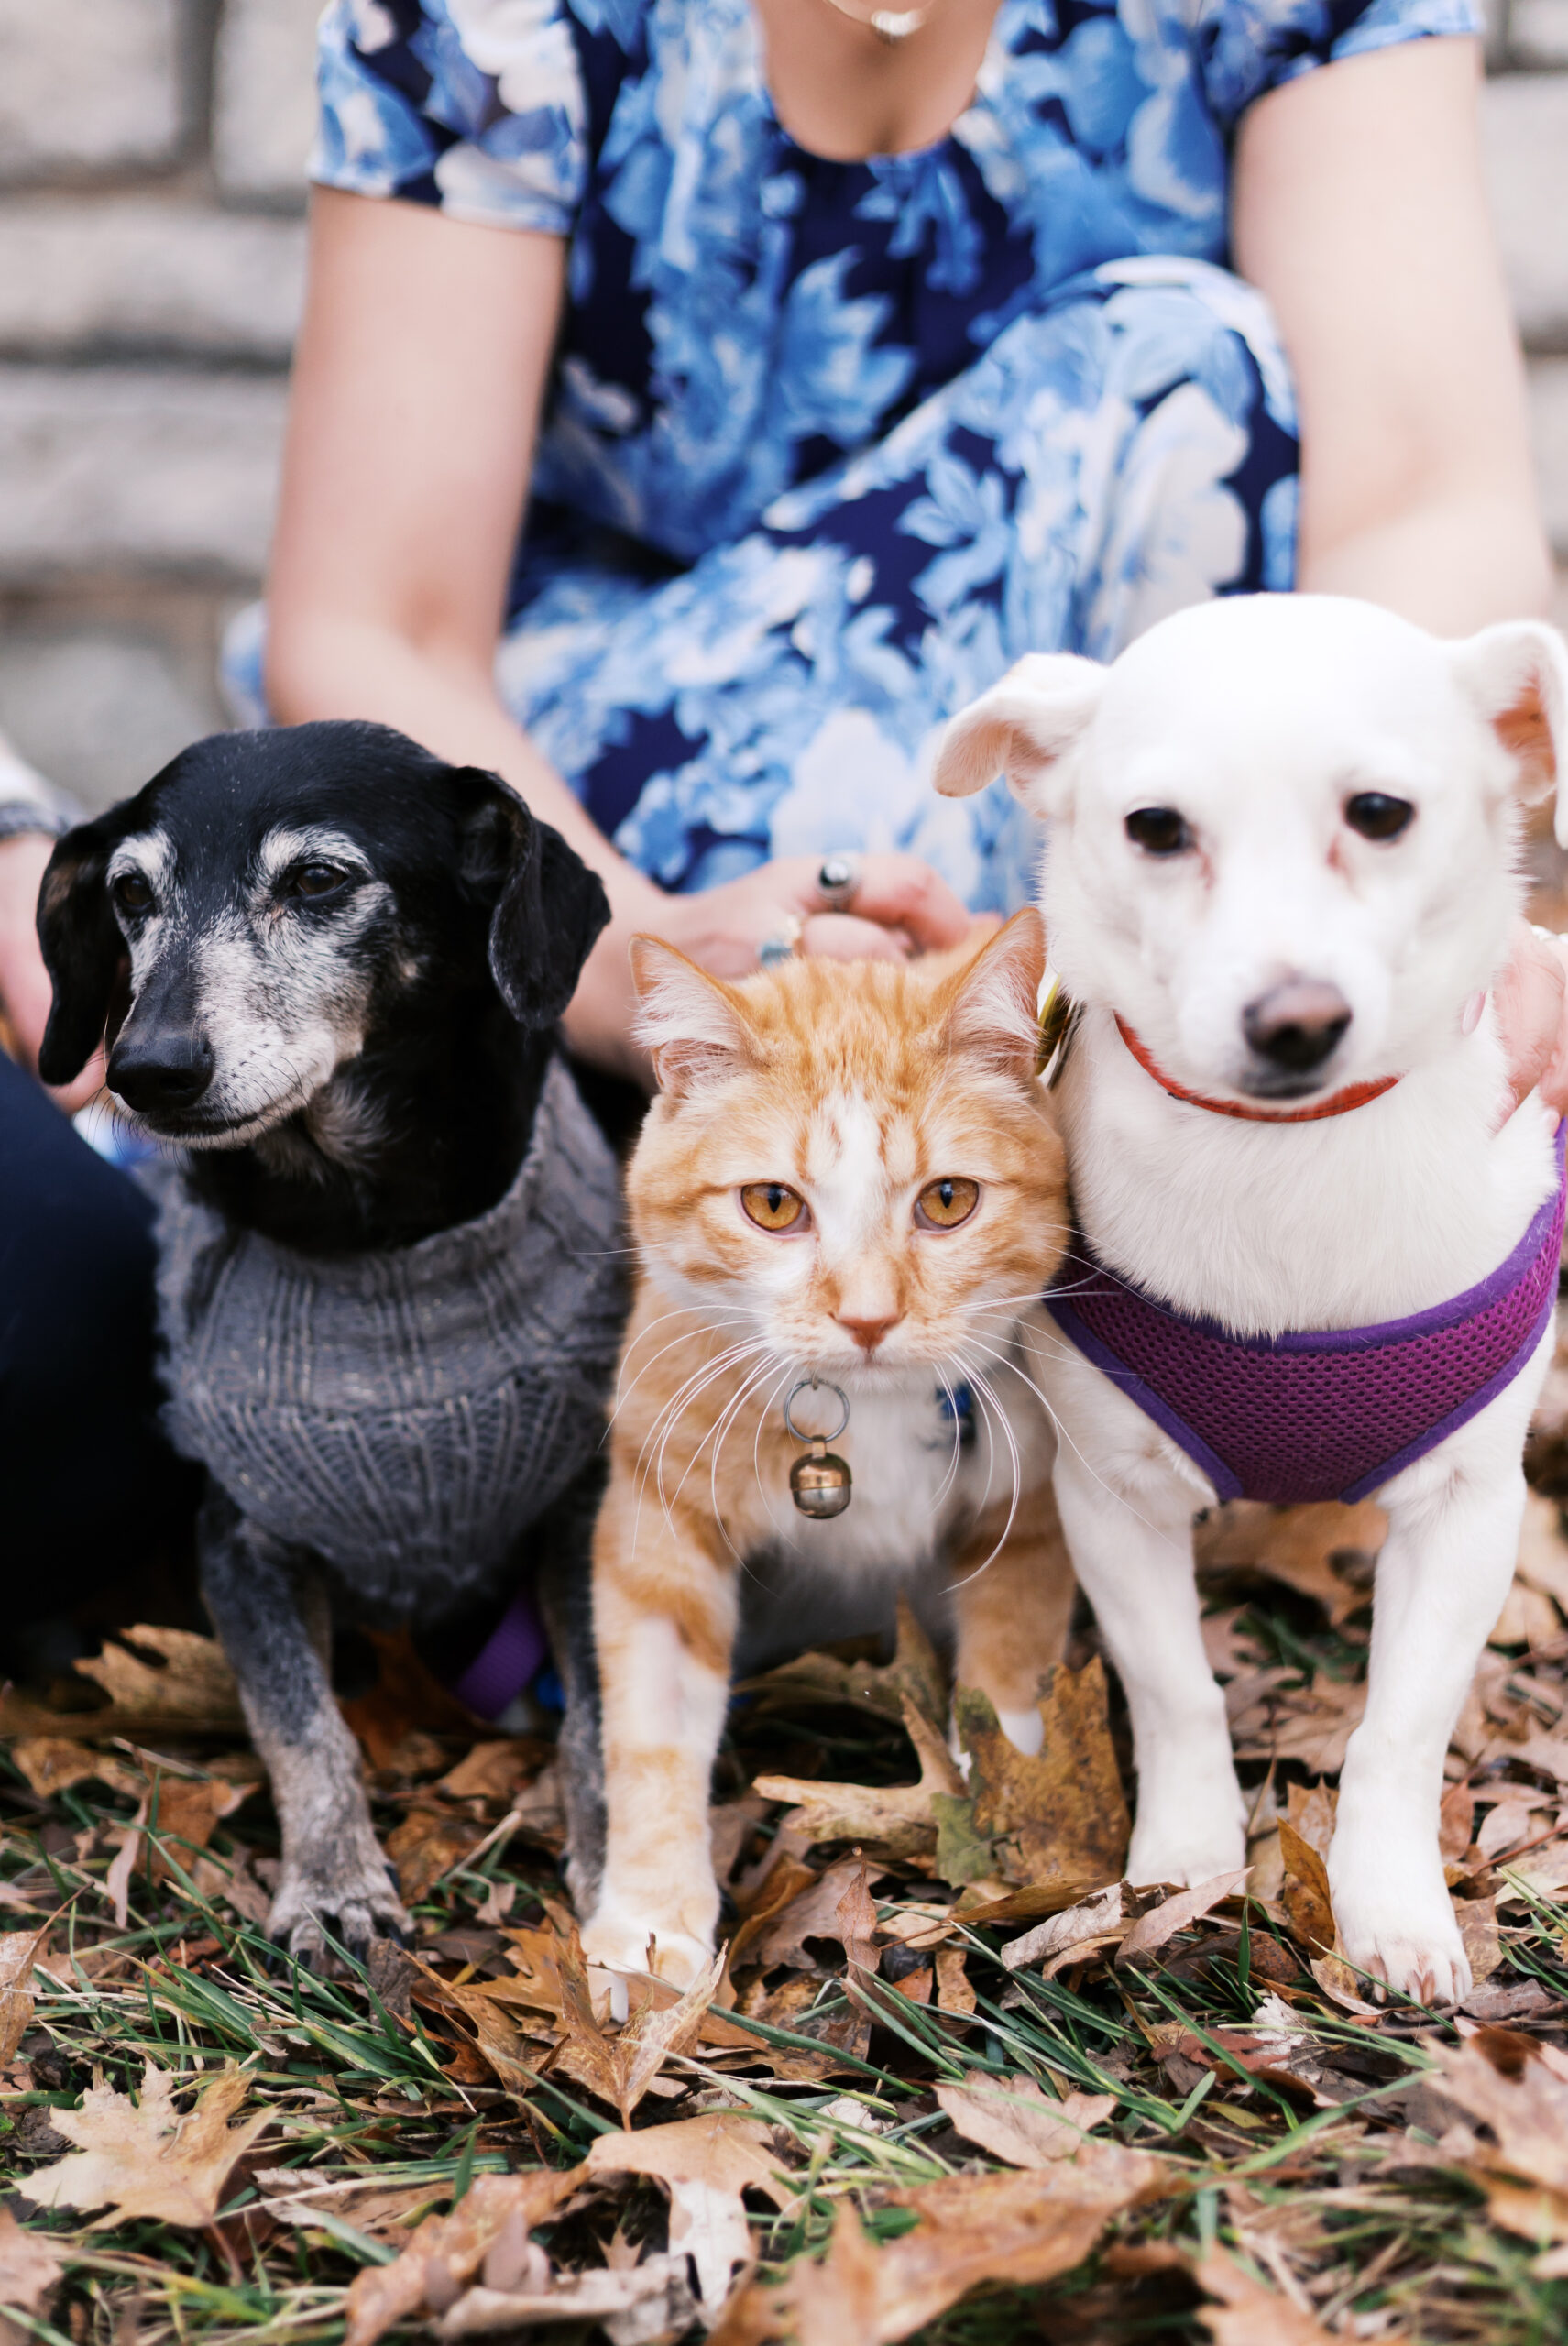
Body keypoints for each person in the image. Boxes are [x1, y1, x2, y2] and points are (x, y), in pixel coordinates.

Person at [1, 0, 1565, 1606]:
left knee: (1182, 369)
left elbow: (1425, 502)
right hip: (591, 835)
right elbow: (378, 624)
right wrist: (629, 957)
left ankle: (1029, 1228)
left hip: (1089, 882)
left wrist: (1413, 900)